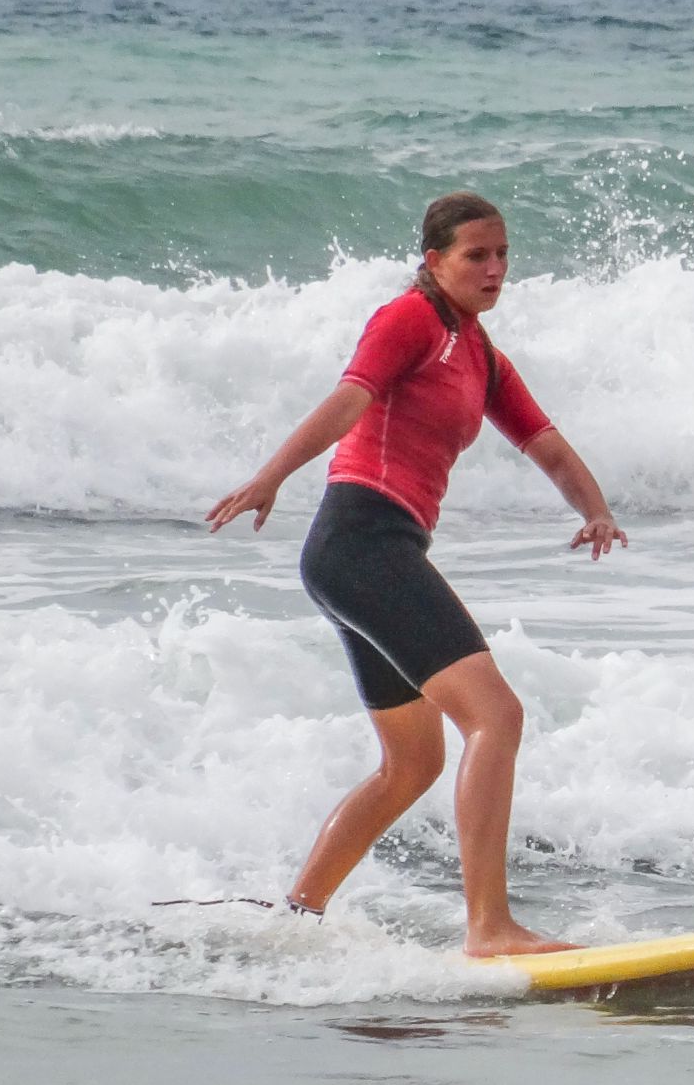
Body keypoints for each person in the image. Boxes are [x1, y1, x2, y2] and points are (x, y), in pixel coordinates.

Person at [205, 192, 624, 956]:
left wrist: (594, 508)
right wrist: (272, 477)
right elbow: (347, 400)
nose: (494, 269)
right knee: (496, 718)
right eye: (476, 256)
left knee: (414, 762)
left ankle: (296, 920)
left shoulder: (481, 353)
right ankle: (489, 928)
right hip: (362, 541)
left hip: (370, 552)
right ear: (434, 261)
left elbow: (549, 447)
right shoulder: (411, 321)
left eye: (503, 255)